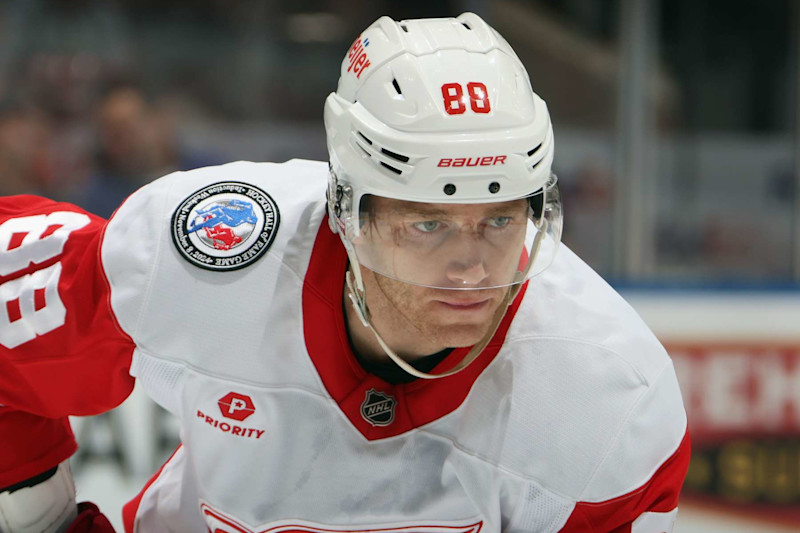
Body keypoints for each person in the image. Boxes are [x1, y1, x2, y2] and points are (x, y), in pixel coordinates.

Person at [0, 13, 690, 533]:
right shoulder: (211, 250)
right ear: (348, 213)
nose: (472, 266)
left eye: (500, 220)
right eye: (429, 224)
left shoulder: (609, 397)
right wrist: (38, 513)